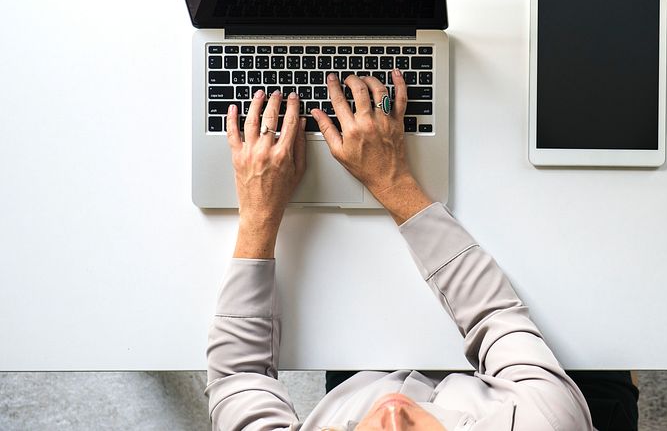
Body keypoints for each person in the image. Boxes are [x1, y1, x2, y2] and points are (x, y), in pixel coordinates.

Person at [206, 72, 596, 430]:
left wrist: (259, 212)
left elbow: (236, 377)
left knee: (350, 365)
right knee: (602, 359)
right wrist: (393, 181)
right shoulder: (544, 422)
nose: (393, 411)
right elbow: (495, 316)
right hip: (512, 397)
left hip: (360, 380)